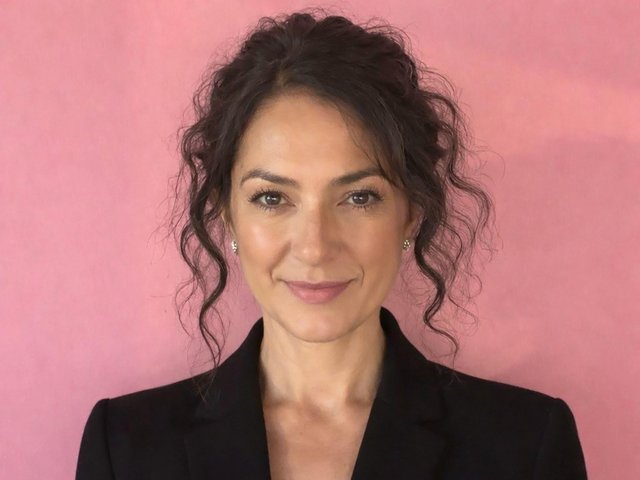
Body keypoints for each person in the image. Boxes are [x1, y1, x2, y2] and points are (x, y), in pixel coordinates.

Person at [75, 10, 588, 480]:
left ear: (411, 213)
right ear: (228, 214)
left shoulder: (527, 446)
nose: (315, 247)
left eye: (359, 197)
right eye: (272, 198)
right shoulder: (125, 447)